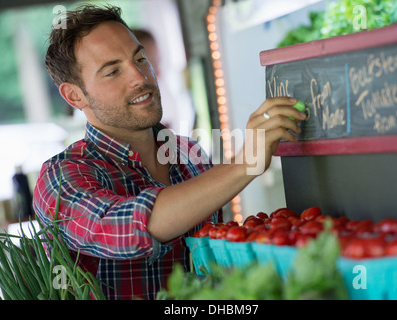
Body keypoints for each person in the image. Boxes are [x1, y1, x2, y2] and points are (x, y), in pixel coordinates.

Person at [33, 4, 305, 300]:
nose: (139, 77)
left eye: (140, 58)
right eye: (112, 71)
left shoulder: (188, 153)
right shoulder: (60, 178)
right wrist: (245, 163)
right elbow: (133, 227)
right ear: (74, 95)